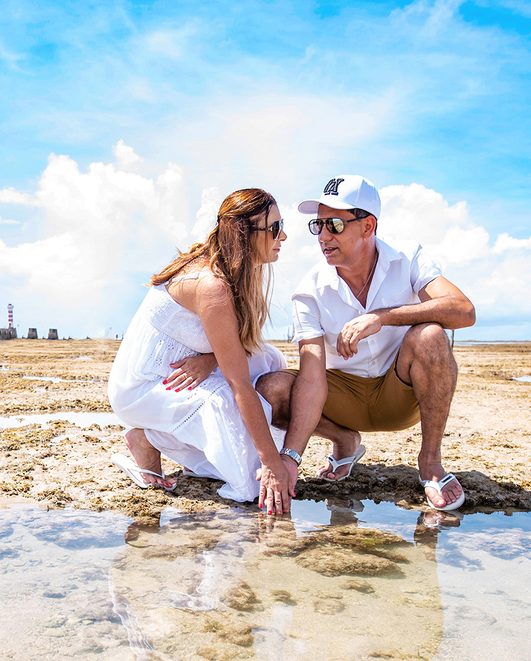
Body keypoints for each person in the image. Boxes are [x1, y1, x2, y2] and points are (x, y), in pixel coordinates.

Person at [255, 175, 476, 511]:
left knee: (431, 335)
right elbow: (312, 378)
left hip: (400, 393)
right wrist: (290, 458)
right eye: (318, 225)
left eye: (334, 225)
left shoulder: (408, 257)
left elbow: (463, 310)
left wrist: (382, 317)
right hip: (341, 400)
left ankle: (430, 461)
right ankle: (344, 440)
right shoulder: (309, 291)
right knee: (271, 389)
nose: (323, 236)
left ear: (368, 226)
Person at [107, 189, 317, 515]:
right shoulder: (212, 285)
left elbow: (234, 342)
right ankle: (148, 438)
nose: (283, 236)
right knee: (251, 479)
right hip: (147, 384)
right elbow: (239, 384)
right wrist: (270, 462)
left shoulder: (233, 266)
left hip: (183, 365)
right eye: (275, 228)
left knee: (271, 359)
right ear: (244, 234)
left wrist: (211, 359)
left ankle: (187, 443)